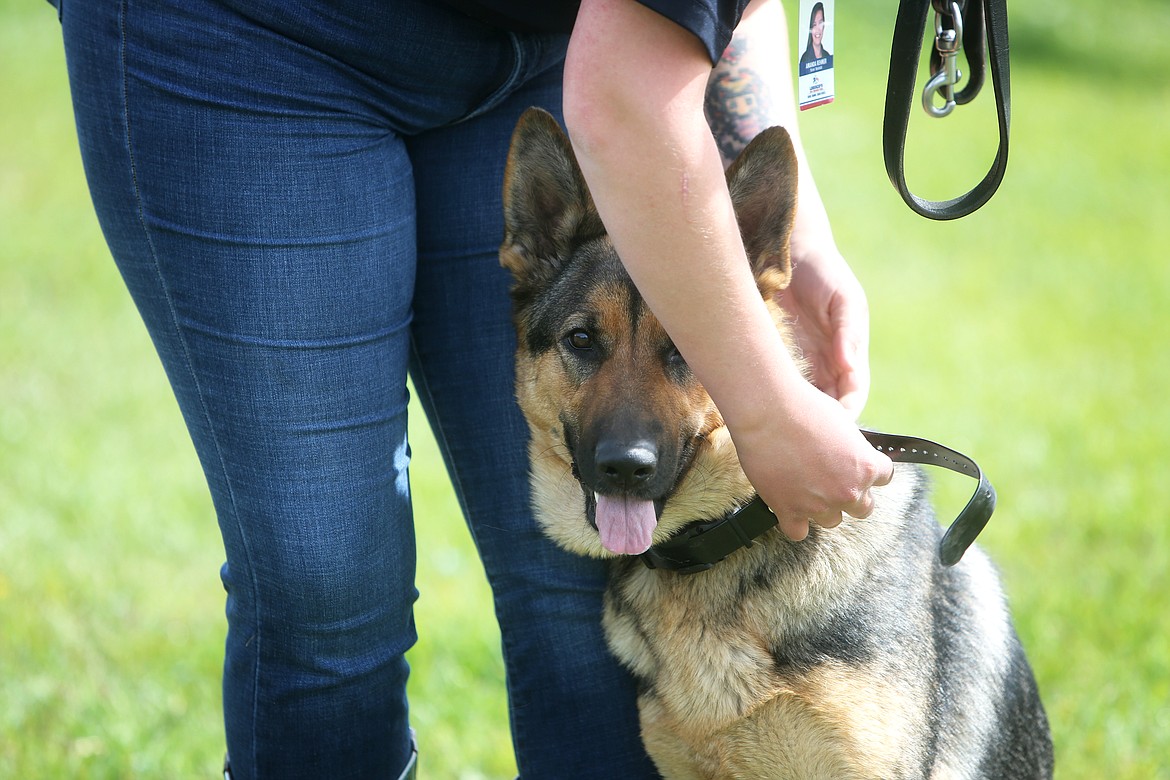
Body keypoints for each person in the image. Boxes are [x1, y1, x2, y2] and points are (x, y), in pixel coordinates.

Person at [53, 0, 892, 777]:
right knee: (328, 591)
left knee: (578, 586)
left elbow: (719, 6)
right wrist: (767, 410)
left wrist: (799, 238)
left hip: (530, 47)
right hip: (248, 43)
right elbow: (629, 96)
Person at [799, 1, 834, 74]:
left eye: (820, 23)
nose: (818, 29)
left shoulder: (827, 56)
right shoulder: (805, 59)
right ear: (810, 28)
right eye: (814, 24)